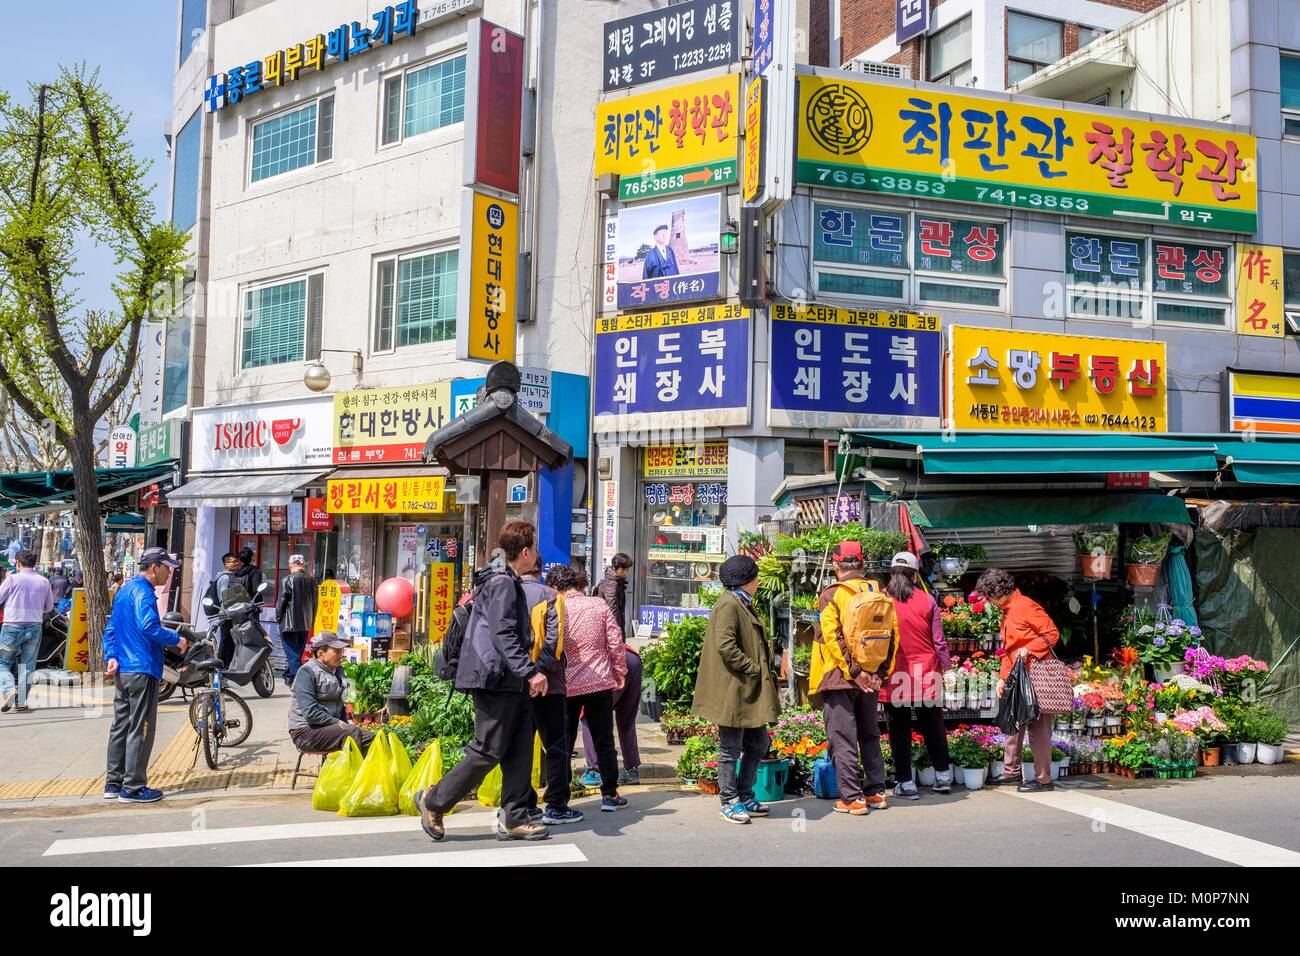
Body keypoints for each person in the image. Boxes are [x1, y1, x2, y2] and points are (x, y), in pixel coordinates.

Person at [417, 521, 550, 843]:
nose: (536, 554)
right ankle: (433, 800)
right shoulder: (503, 582)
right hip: (495, 677)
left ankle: (515, 817)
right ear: (526, 551)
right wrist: (529, 671)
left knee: (519, 749)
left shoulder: (502, 578)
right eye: (534, 547)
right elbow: (502, 633)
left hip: (508, 678)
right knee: (488, 749)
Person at [810, 541, 897, 815]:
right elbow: (893, 635)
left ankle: (851, 797)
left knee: (842, 737)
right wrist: (877, 674)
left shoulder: (832, 594)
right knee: (870, 734)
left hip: (839, 677)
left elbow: (831, 637)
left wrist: (854, 672)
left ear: (836, 566)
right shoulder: (879, 592)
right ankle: (875, 793)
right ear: (862, 564)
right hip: (870, 677)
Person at [692, 555, 780, 825]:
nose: (759, 581)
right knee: (730, 748)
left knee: (759, 742)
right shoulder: (729, 605)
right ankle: (729, 801)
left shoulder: (742, 603)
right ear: (748, 580)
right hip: (733, 689)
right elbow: (726, 646)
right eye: (756, 577)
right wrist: (753, 668)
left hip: (747, 688)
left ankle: (744, 794)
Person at [103, 548, 186, 803]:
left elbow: (111, 628)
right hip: (142, 667)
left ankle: (113, 783)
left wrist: (111, 656)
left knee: (121, 726)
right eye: (167, 567)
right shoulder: (144, 592)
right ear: (154, 567)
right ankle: (134, 787)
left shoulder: (124, 590)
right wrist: (177, 639)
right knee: (141, 728)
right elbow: (148, 625)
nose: (169, 572)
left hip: (124, 668)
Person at [545, 564, 628, 813]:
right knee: (604, 741)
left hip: (566, 686)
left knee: (563, 744)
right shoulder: (599, 605)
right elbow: (616, 641)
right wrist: (619, 672)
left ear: (555, 587)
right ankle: (610, 794)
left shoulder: (556, 609)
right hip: (600, 682)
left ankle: (559, 799)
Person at [978, 568, 1061, 793]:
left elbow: (1052, 633)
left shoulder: (1025, 605)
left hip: (1035, 675)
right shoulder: (1008, 610)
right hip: (1017, 675)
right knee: (1012, 721)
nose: (989, 602)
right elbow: (1008, 651)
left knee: (1038, 728)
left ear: (997, 593)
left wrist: (1030, 650)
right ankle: (1011, 771)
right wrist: (1002, 679)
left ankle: (1044, 779)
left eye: (989, 596)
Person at [880, 552, 953, 799]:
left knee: (899, 729)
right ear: (915, 574)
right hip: (927, 672)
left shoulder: (881, 600)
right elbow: (939, 642)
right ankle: (943, 777)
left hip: (894, 673)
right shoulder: (928, 600)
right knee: (933, 725)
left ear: (891, 572)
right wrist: (949, 670)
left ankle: (906, 783)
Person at [520, 559, 581, 826]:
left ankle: (525, 804)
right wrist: (541, 672)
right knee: (556, 746)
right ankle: (556, 805)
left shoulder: (506, 592)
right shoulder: (551, 597)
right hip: (549, 685)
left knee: (520, 747)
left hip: (516, 684)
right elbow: (555, 641)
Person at [288, 631, 374, 756]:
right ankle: (349, 774)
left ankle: (364, 773)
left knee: (371, 738)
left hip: (329, 728)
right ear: (321, 654)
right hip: (305, 732)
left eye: (341, 651)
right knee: (351, 733)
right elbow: (310, 713)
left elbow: (340, 703)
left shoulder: (338, 670)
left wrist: (344, 721)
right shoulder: (306, 672)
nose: (341, 655)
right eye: (337, 651)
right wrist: (337, 722)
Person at [0, 550, 53, 713]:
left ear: (18, 563)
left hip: (12, 626)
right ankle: (21, 702)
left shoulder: (12, 580)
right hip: (35, 626)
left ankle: (9, 689)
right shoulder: (44, 582)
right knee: (28, 666)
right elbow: (49, 607)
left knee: (3, 663)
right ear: (34, 564)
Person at [276, 556, 317, 686]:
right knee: (297, 651)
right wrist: (312, 620)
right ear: (303, 565)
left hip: (289, 622)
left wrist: (278, 617)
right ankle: (289, 675)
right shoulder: (312, 581)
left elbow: (282, 601)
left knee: (292, 651)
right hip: (306, 622)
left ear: (291, 565)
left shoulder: (288, 579)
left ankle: (301, 680)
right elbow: (315, 603)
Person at [208, 552, 242, 666]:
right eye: (233, 561)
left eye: (236, 561)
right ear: (226, 564)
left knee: (231, 640)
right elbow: (224, 596)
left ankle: (227, 664)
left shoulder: (231, 576)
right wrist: (227, 612)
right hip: (226, 614)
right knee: (226, 639)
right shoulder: (225, 578)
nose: (236, 563)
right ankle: (221, 665)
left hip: (231, 613)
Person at [594, 553, 631, 638]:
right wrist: (616, 632)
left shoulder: (614, 580)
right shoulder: (612, 584)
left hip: (609, 626)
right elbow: (612, 609)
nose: (625, 573)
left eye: (627, 570)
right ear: (615, 567)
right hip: (610, 629)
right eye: (622, 570)